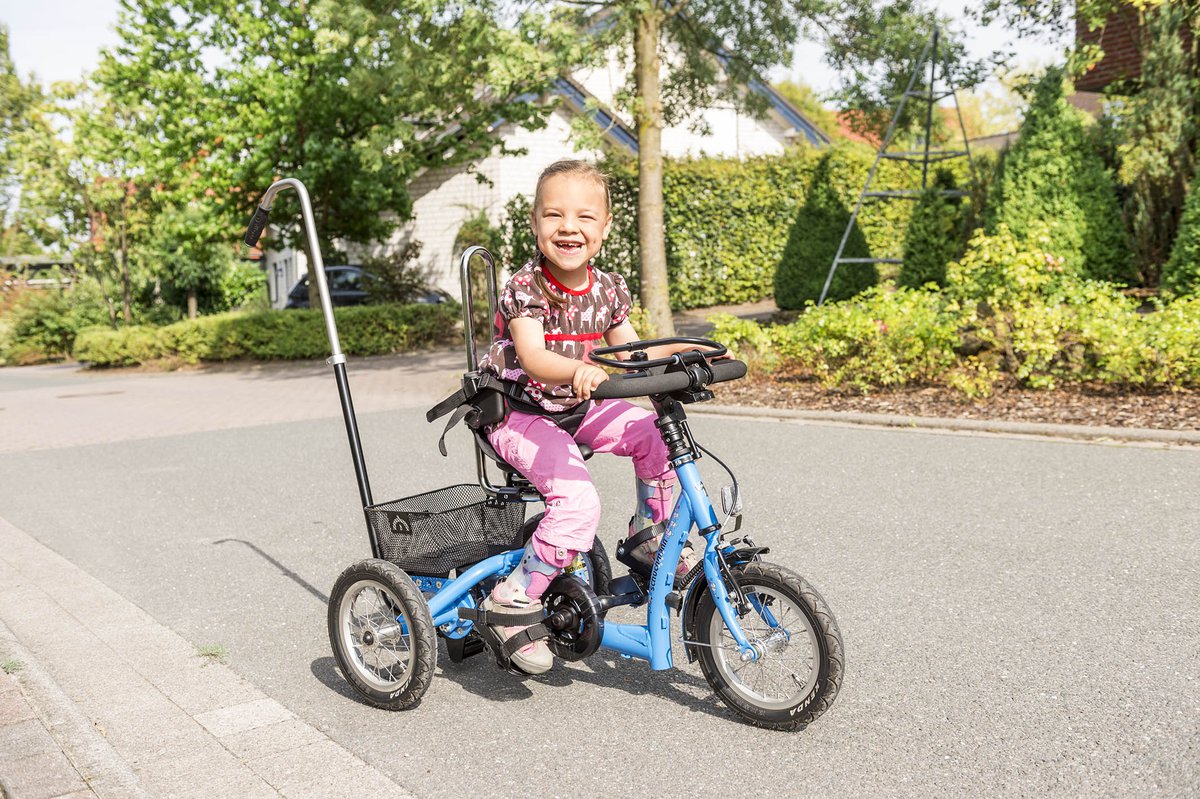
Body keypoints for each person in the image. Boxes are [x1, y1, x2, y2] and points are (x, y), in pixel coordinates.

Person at [477, 159, 699, 674]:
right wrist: (578, 368)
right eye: (553, 215)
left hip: (576, 408)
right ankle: (513, 599)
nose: (568, 227)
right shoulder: (527, 288)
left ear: (605, 227)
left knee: (657, 435)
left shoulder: (609, 289)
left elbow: (630, 356)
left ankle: (650, 536)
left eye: (584, 216)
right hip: (518, 412)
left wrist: (685, 360)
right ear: (535, 225)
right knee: (577, 502)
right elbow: (532, 357)